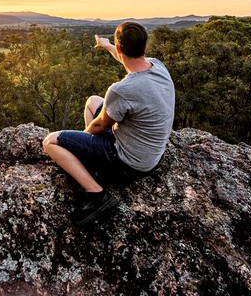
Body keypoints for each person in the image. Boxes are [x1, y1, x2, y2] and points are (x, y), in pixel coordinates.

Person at [42, 22, 175, 225]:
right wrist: (106, 46)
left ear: (121, 48)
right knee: (92, 101)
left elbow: (98, 127)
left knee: (50, 142)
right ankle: (94, 165)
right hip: (150, 155)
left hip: (129, 164)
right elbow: (127, 60)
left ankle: (97, 195)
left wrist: (81, 146)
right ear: (144, 47)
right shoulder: (157, 66)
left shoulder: (122, 90)